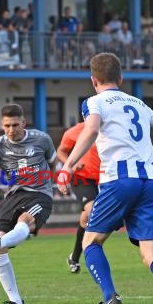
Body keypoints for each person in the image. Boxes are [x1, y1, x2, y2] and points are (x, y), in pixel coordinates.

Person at [58, 53, 153, 304]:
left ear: (93, 80)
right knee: (150, 253)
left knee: (90, 242)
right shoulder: (139, 104)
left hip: (119, 179)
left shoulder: (93, 102)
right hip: (151, 181)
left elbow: (92, 129)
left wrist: (68, 166)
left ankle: (109, 297)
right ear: (121, 79)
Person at [0, 103, 57, 304]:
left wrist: (52, 183)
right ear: (1, 125)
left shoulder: (42, 139)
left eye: (15, 125)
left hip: (39, 194)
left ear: (23, 122)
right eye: (7, 126)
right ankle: (15, 299)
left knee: (26, 221)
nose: (11, 130)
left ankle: (1, 241)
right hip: (13, 195)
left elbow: (53, 163)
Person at [57, 106, 100, 274]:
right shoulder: (73, 132)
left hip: (103, 178)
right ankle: (94, 253)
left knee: (85, 220)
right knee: (92, 210)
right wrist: (71, 165)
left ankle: (74, 257)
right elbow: (61, 151)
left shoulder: (108, 129)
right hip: (81, 178)